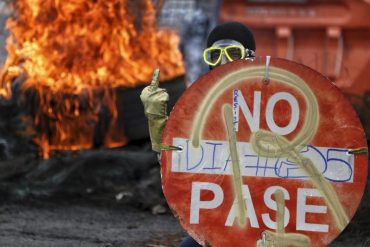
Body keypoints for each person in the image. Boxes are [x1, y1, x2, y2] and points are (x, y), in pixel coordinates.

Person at [141, 21, 256, 247]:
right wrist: (156, 122)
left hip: (269, 220)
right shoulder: (200, 106)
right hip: (220, 217)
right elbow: (177, 168)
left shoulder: (278, 101)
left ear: (250, 57)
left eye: (233, 53)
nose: (223, 62)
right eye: (215, 55)